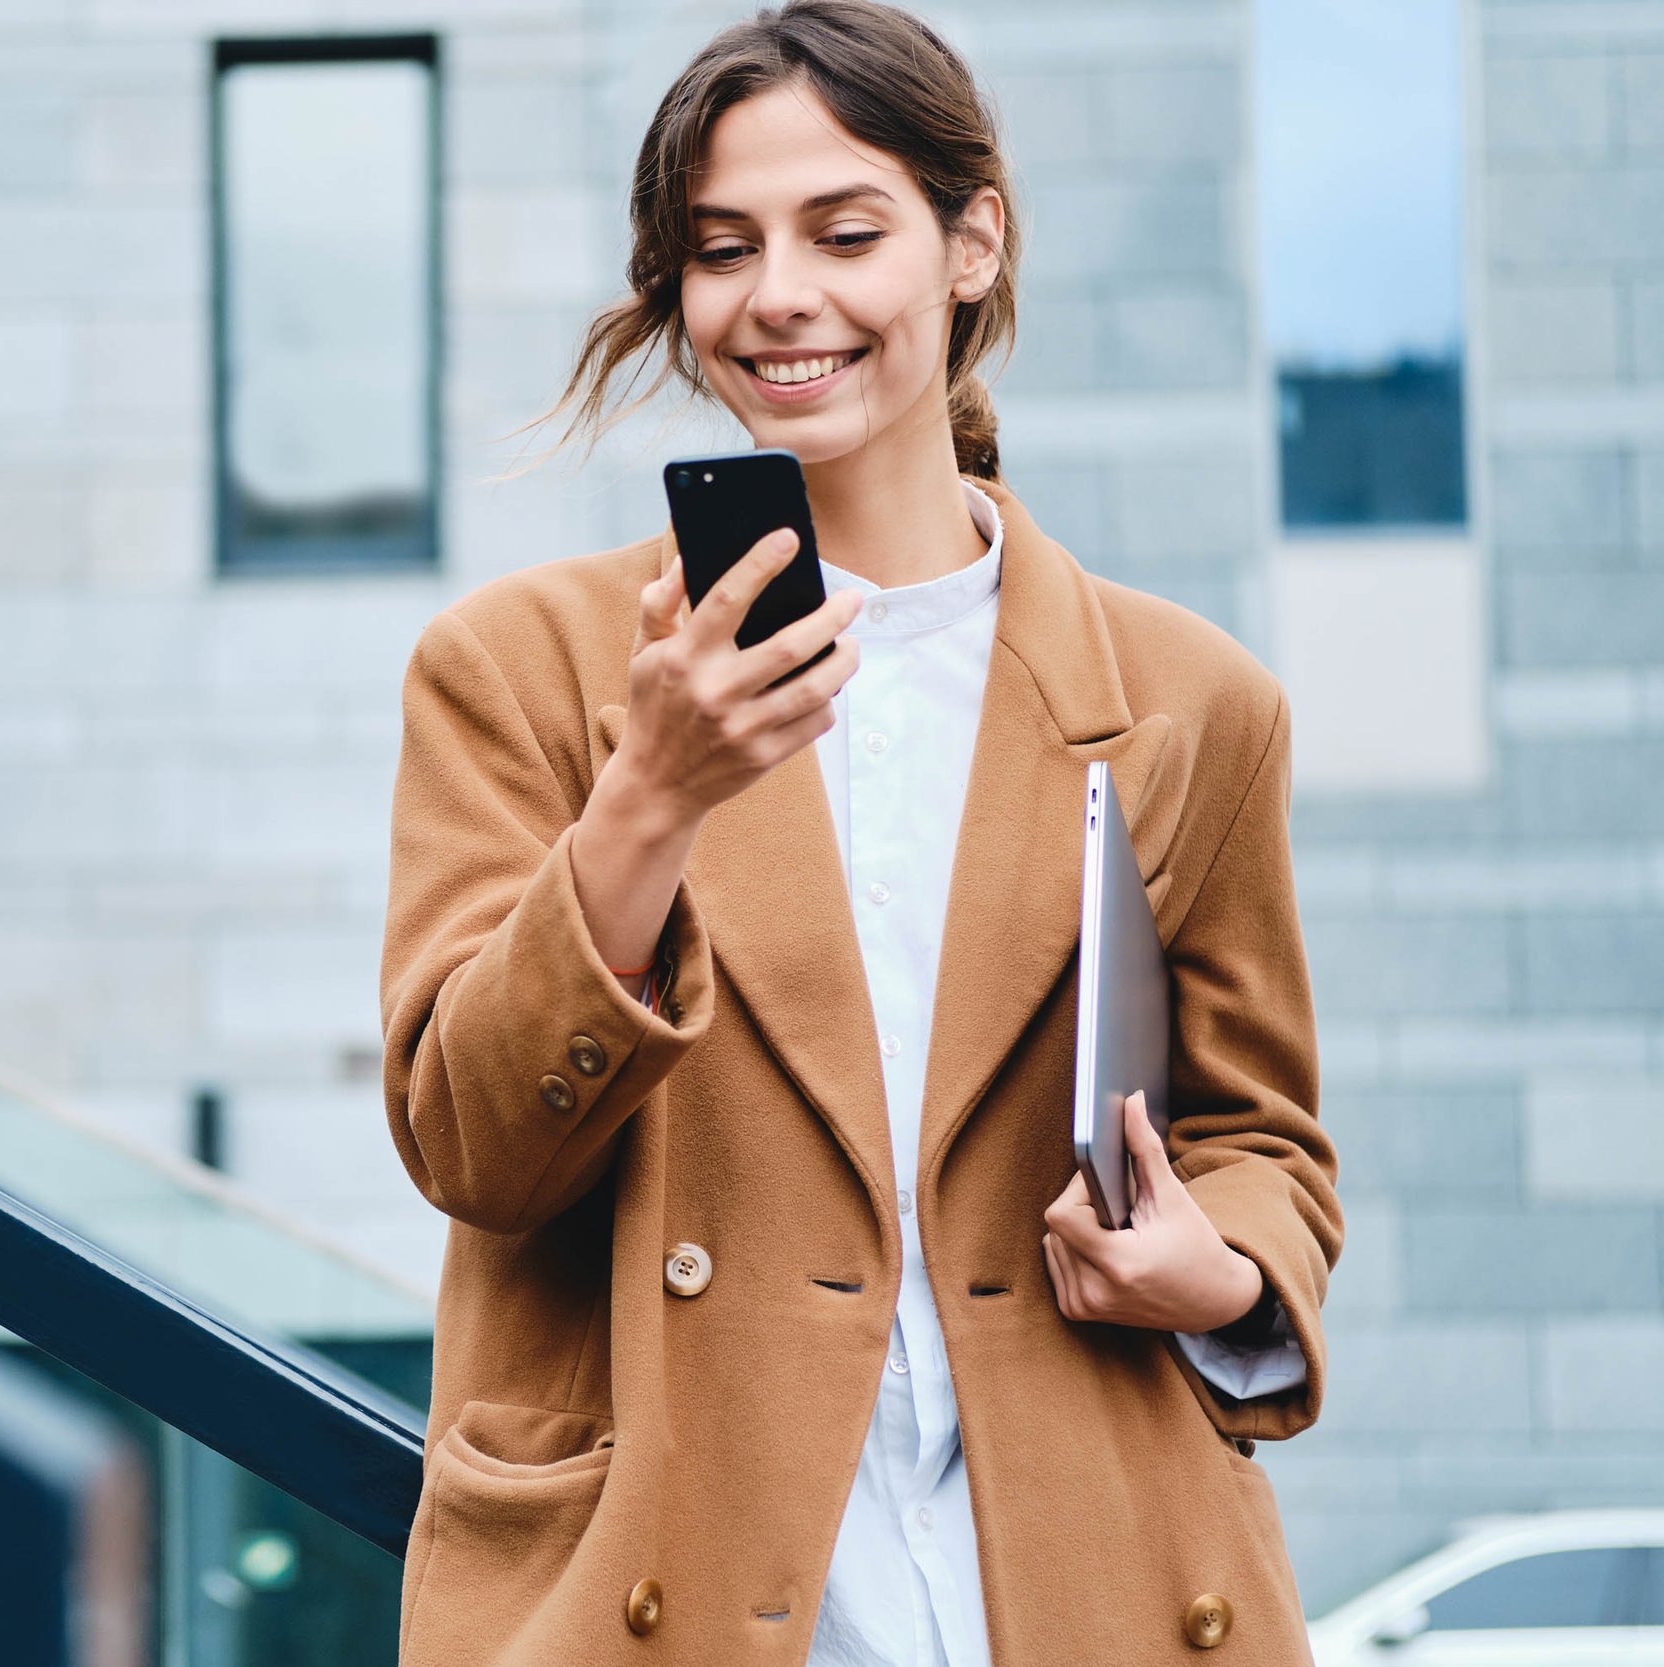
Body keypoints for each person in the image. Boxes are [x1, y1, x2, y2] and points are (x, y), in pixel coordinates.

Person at [377, 4, 1342, 1664]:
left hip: (1079, 1574)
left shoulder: (1194, 701)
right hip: (682, 1578)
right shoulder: (522, 672)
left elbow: (1268, 1148)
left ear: (972, 244)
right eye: (721, 249)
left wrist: (1222, 1270)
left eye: (846, 231)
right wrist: (653, 792)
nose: (780, 299)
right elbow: (472, 1146)